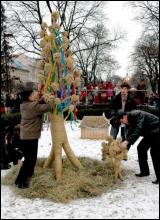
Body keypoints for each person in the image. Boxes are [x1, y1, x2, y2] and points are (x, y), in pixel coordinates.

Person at [15, 89, 55, 189]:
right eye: (33, 94)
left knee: (29, 159)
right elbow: (50, 107)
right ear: (29, 97)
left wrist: (42, 98)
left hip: (26, 137)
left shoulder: (24, 105)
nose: (35, 95)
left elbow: (37, 103)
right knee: (30, 160)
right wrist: (51, 98)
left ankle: (21, 179)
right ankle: (22, 182)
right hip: (30, 138)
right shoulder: (33, 107)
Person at [118, 109, 159, 184]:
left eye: (122, 121)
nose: (122, 123)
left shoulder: (136, 114)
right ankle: (145, 172)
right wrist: (123, 151)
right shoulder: (129, 121)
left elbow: (138, 129)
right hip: (150, 133)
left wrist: (126, 142)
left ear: (124, 116)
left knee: (154, 152)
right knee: (141, 148)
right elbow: (130, 136)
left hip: (157, 130)